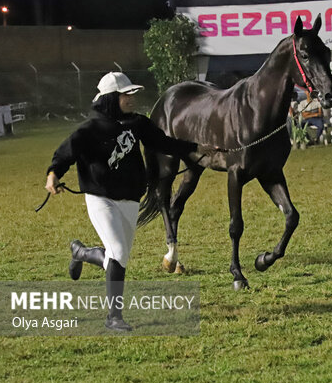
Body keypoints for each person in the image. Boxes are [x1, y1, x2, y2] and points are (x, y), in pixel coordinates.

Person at [45, 72, 213, 331]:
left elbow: (164, 142)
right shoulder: (90, 129)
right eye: (126, 94)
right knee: (119, 253)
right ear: (112, 98)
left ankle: (82, 252)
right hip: (101, 199)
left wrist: (196, 147)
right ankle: (114, 317)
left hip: (130, 199)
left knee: (117, 257)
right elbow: (66, 152)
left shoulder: (137, 124)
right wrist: (53, 174)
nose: (132, 98)